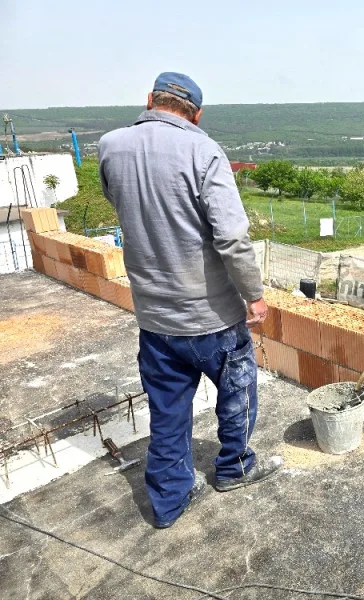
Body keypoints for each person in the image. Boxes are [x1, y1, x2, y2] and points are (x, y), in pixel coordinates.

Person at [98, 72, 282, 528]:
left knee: (167, 414)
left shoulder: (110, 146)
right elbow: (232, 238)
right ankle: (233, 469)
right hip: (211, 317)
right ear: (196, 115)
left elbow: (125, 207)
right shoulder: (204, 151)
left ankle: (168, 503)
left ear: (150, 100)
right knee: (237, 394)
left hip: (155, 319)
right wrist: (254, 296)